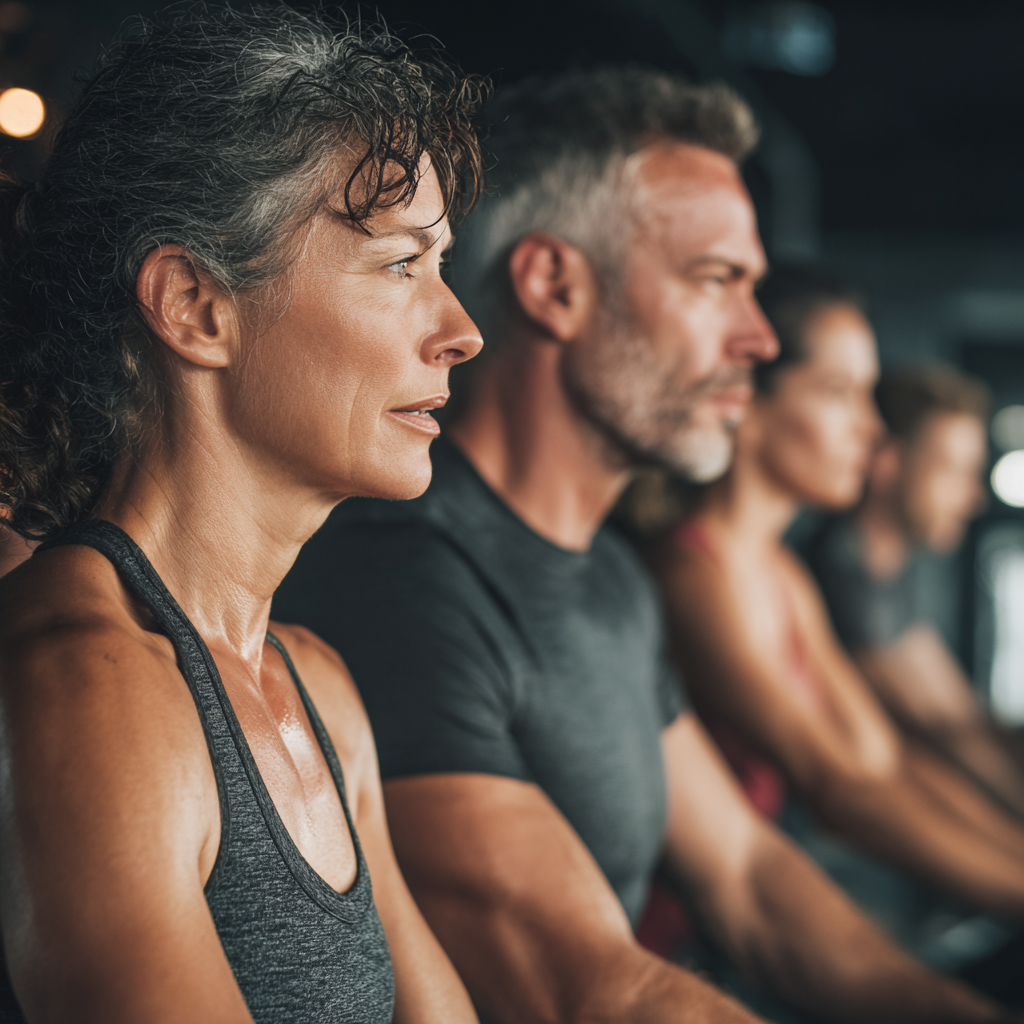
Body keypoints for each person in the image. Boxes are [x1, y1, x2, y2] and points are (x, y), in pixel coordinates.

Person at [275, 71, 1002, 1024]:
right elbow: (592, 990)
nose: (757, 340)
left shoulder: (613, 578)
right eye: (716, 283)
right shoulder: (402, 577)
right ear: (556, 286)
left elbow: (747, 875)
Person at [0, 6, 485, 1022]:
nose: (460, 330)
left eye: (442, 266)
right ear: (195, 306)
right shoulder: (88, 683)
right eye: (400, 263)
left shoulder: (319, 688)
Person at [649, 265, 1024, 926]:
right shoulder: (692, 573)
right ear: (751, 403)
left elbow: (884, 762)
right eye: (838, 392)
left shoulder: (785, 576)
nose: (873, 431)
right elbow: (838, 788)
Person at [809, 366, 1024, 819]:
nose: (972, 497)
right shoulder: (838, 574)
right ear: (889, 462)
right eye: (952, 470)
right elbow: (946, 735)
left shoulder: (894, 576)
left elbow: (963, 717)